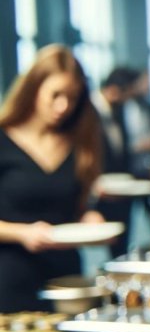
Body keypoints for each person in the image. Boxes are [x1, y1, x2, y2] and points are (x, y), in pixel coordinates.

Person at [0, 46, 105, 311]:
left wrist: (88, 219)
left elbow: (74, 209)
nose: (63, 106)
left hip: (67, 283)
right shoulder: (3, 139)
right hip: (10, 279)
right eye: (55, 95)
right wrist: (22, 233)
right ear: (33, 87)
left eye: (72, 97)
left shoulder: (81, 143)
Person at [92, 66, 140, 256]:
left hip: (122, 188)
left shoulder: (118, 111)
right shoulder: (89, 112)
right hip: (101, 190)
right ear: (115, 90)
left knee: (121, 244)